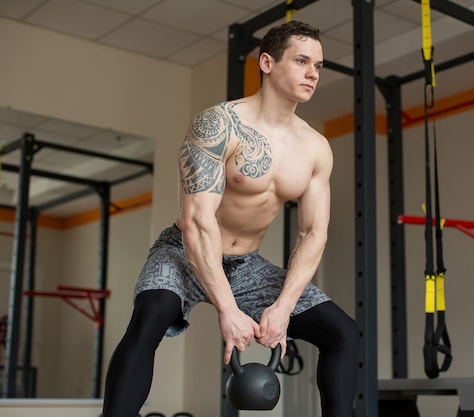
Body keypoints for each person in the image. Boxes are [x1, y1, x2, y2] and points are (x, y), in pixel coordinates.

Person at [102, 20, 359, 417]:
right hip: (185, 251)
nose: (313, 73)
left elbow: (313, 233)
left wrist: (284, 307)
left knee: (343, 333)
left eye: (319, 66)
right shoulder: (218, 125)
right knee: (152, 313)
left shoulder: (315, 147)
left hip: (248, 265)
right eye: (302, 61)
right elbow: (196, 222)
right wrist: (227, 310)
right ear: (268, 63)